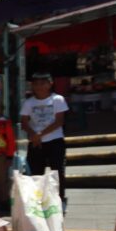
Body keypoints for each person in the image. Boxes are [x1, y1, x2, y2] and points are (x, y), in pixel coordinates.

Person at [20, 73, 69, 204]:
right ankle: (38, 199)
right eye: (36, 84)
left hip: (55, 140)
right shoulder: (28, 102)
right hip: (36, 142)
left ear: (50, 84)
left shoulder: (58, 99)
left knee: (57, 171)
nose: (39, 87)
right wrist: (33, 135)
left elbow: (59, 121)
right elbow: (24, 122)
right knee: (36, 173)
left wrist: (40, 134)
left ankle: (59, 198)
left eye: (43, 83)